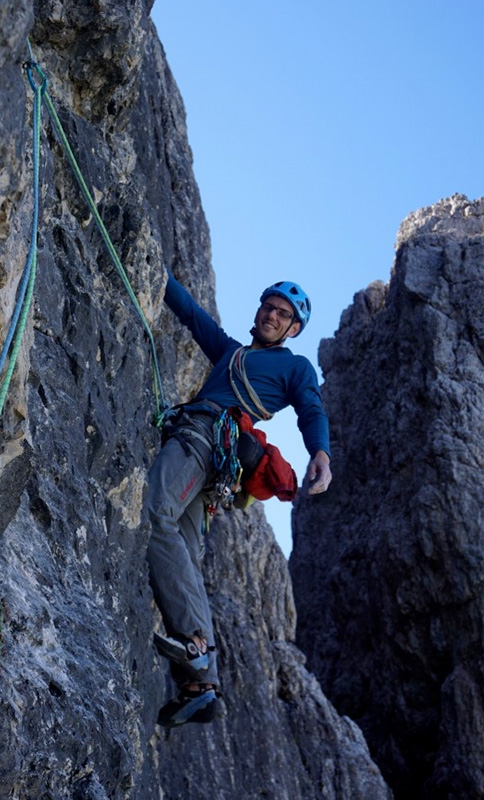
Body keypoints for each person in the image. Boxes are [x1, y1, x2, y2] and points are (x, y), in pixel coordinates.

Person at [147, 272, 331, 727]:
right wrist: (158, 270)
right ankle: (199, 682)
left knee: (154, 515)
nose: (271, 314)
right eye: (268, 306)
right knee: (184, 551)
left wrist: (321, 454)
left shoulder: (295, 368)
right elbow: (191, 314)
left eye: (282, 314)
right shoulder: (231, 352)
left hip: (205, 439)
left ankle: (193, 642)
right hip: (209, 456)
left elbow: (311, 408)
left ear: (293, 330)